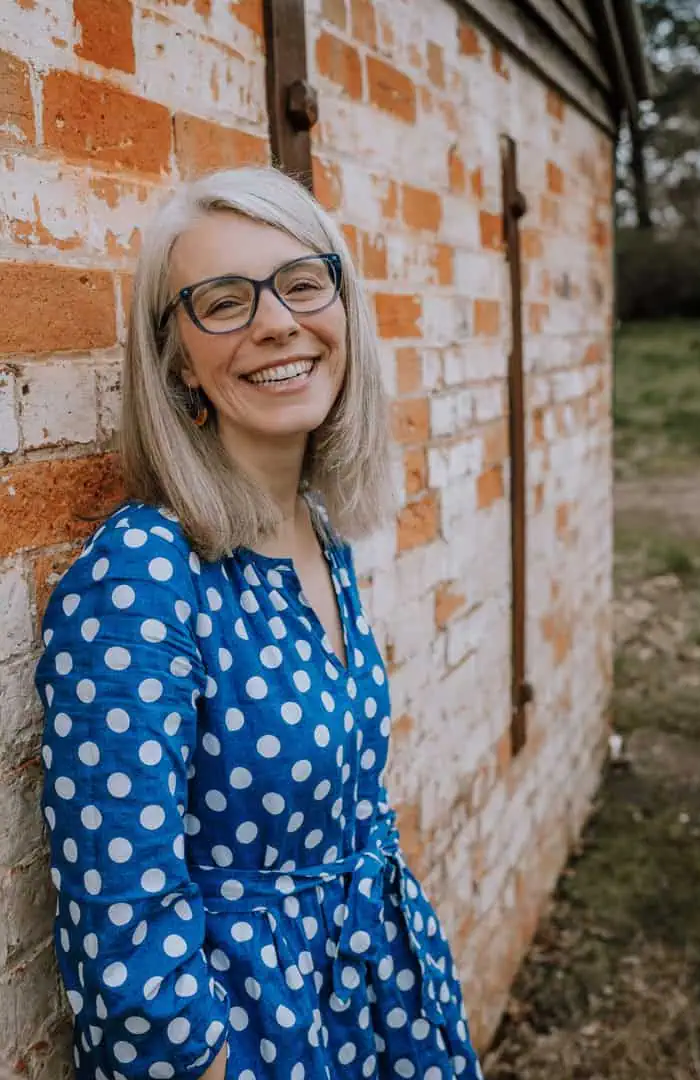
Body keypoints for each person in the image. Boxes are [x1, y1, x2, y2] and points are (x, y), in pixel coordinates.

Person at [36, 167, 483, 1080]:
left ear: (343, 308)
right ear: (175, 361)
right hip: (252, 1042)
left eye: (302, 283)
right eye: (224, 302)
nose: (276, 321)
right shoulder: (145, 575)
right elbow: (120, 933)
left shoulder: (318, 533)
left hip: (368, 1005)